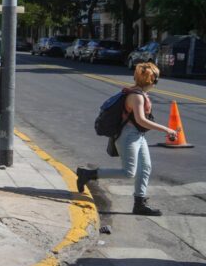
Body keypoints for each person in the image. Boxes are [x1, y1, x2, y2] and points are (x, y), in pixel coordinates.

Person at [76, 62, 177, 216]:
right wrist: (166, 129)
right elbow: (141, 120)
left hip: (137, 135)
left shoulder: (138, 93)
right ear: (152, 80)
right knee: (129, 172)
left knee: (145, 168)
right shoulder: (136, 96)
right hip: (128, 136)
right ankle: (88, 174)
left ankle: (139, 203)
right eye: (156, 79)